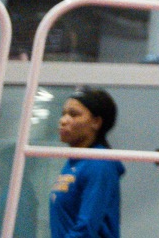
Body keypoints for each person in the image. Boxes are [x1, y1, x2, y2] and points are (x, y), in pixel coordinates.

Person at [50, 89, 121, 238]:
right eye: (63, 114)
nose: (63, 120)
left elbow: (86, 228)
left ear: (96, 122)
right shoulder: (75, 162)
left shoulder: (100, 163)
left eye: (74, 114)